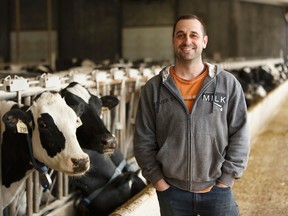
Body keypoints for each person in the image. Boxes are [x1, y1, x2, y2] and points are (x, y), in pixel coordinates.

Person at [133, 14, 250, 216]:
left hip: (218, 191)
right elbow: (143, 139)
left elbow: (240, 134)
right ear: (173, 41)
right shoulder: (154, 88)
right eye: (181, 35)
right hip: (172, 192)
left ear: (204, 41)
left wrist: (226, 180)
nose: (187, 41)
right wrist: (159, 182)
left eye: (194, 35)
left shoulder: (227, 84)